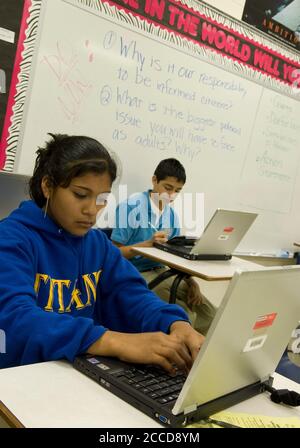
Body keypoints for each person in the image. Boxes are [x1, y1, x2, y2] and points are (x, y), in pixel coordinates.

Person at [0, 134, 204, 371]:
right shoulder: (12, 239)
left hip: (73, 369)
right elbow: (15, 320)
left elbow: (132, 294)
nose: (92, 210)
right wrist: (113, 341)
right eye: (80, 195)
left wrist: (175, 323)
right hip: (21, 378)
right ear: (47, 186)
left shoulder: (97, 244)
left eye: (103, 199)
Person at [111, 158, 216, 335]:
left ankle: (197, 358)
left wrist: (191, 282)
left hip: (164, 272)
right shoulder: (130, 207)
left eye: (177, 191)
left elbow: (175, 256)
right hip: (134, 273)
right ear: (154, 180)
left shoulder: (171, 215)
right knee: (187, 318)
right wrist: (147, 245)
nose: (171, 195)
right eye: (168, 188)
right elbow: (113, 254)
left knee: (212, 315)